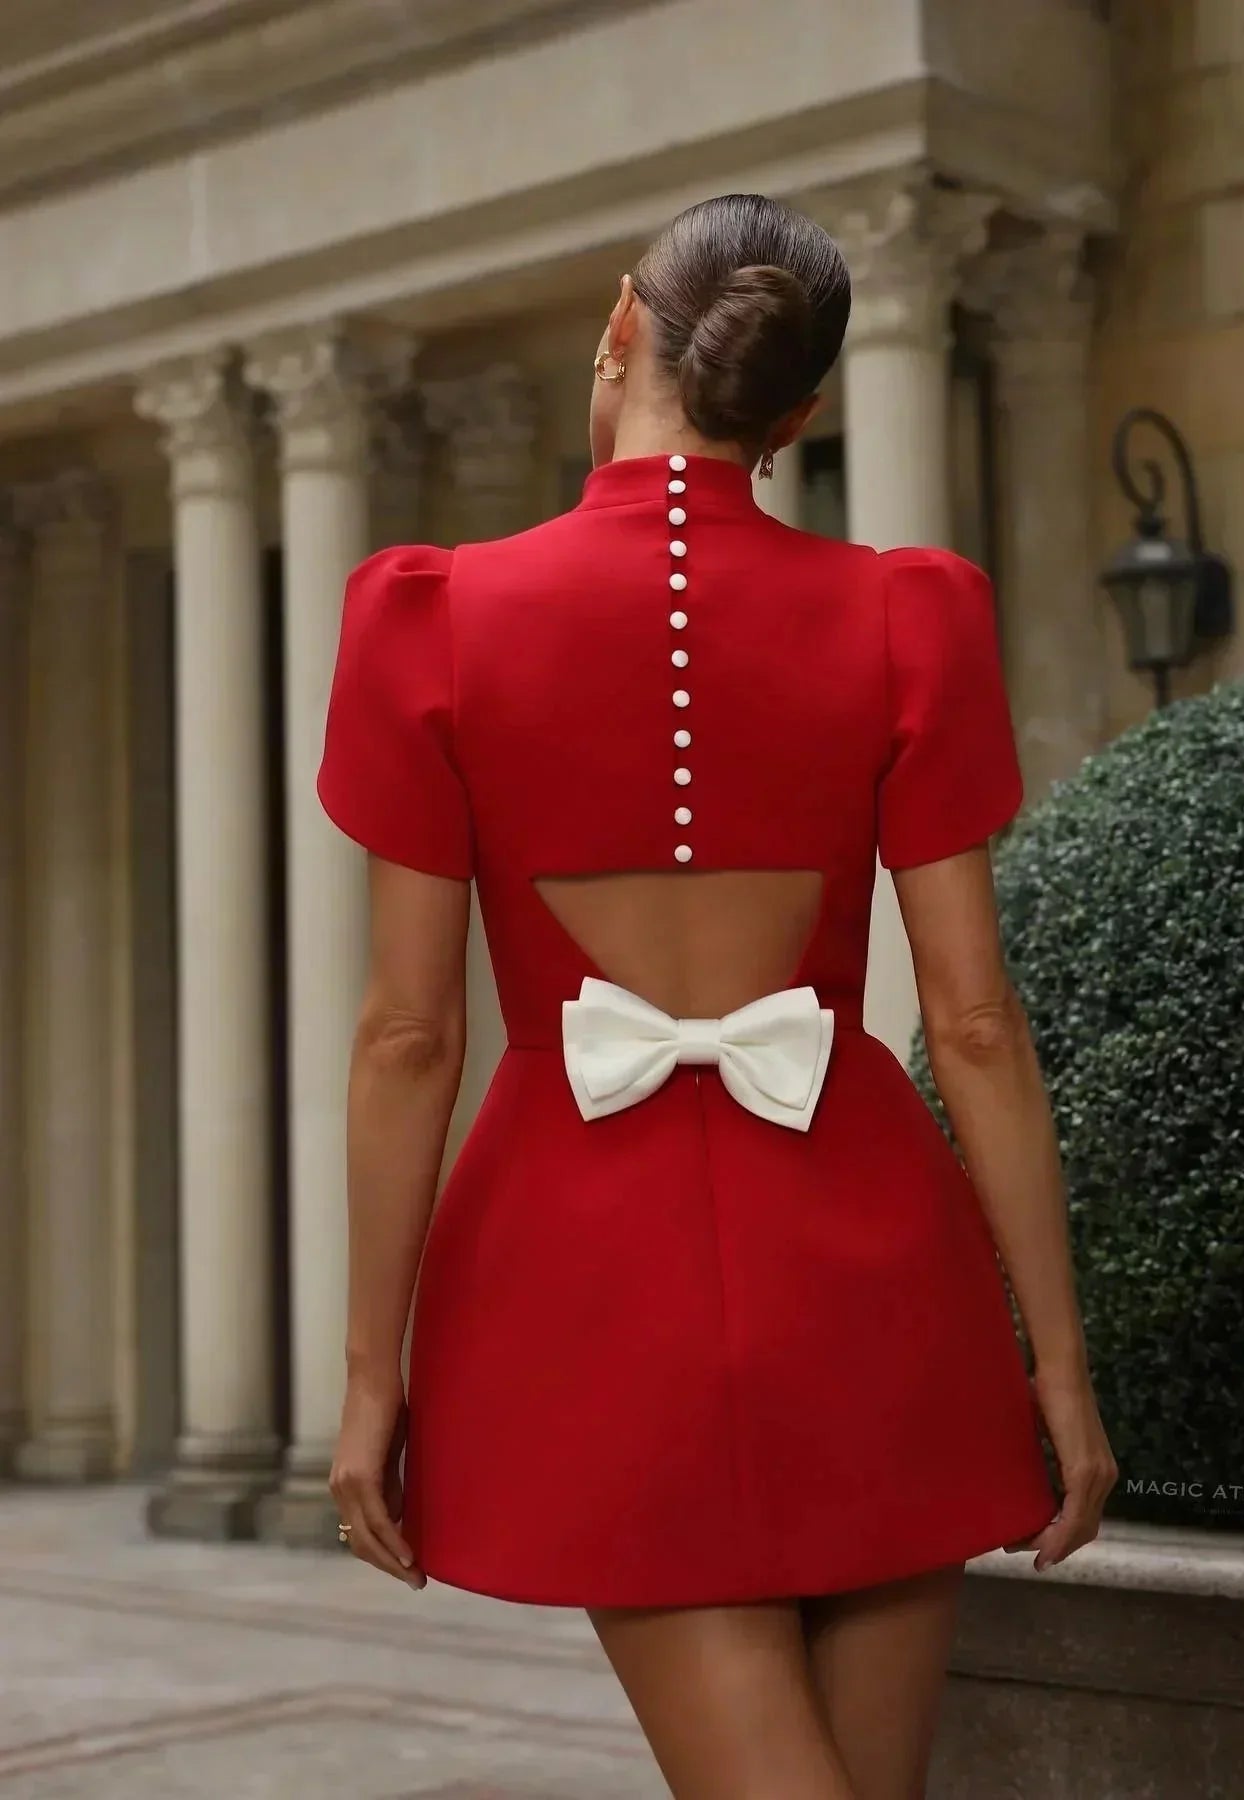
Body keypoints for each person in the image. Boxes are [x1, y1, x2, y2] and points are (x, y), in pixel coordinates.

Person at [317, 193, 1116, 1800]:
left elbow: (411, 1034)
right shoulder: (910, 610)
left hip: (582, 1282)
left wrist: (367, 1377)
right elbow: (973, 1024)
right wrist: (1058, 1369)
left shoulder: (436, 615)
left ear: (622, 324)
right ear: (800, 412)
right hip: (878, 1267)